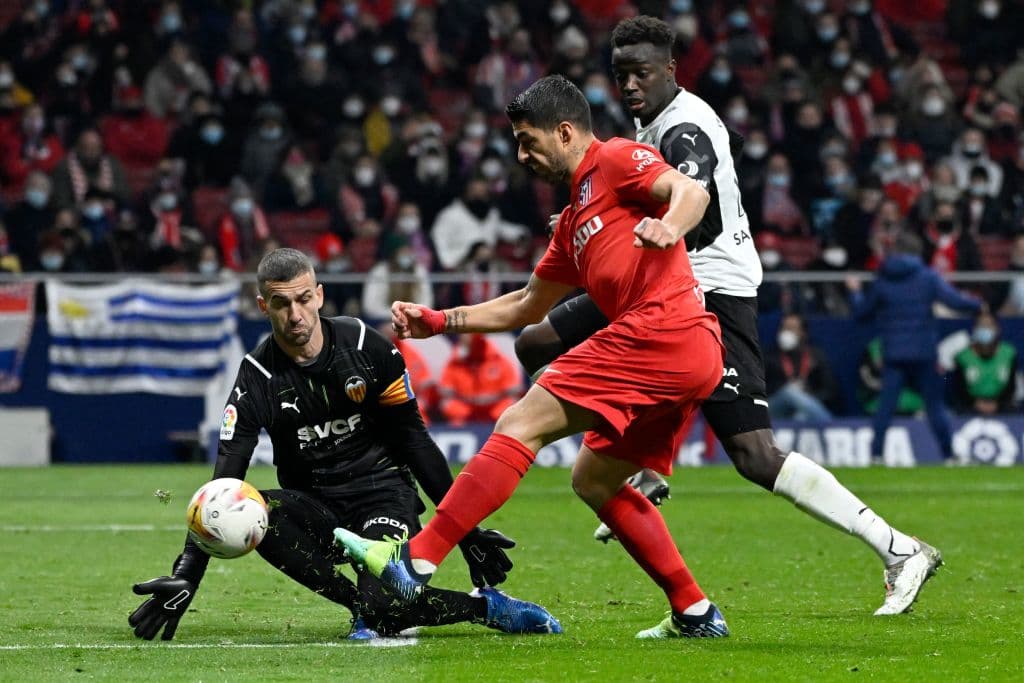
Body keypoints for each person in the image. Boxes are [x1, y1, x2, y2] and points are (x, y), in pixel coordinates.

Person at [513, 16, 942, 617]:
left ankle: (899, 550)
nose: (630, 86)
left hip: (710, 290)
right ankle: (645, 461)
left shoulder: (686, 127)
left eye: (641, 73)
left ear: (671, 70)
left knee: (754, 453)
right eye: (620, 75)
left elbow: (697, 193)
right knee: (536, 341)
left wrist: (666, 226)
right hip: (665, 284)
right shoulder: (650, 126)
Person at [337, 74, 731, 639]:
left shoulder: (616, 160)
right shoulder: (574, 221)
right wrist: (442, 320)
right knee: (594, 479)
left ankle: (414, 565)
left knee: (521, 423)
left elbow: (692, 192)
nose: (522, 155)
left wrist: (668, 228)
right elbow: (527, 303)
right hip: (682, 353)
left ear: (566, 132)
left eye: (529, 140)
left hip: (664, 330)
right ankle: (695, 611)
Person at [128, 248, 561, 642]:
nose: (294, 314)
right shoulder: (256, 378)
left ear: (319, 295)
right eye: (281, 304)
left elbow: (415, 442)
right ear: (264, 307)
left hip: (383, 498)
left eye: (302, 299)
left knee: (389, 606)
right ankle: (367, 608)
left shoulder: (365, 348)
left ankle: (482, 608)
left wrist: (466, 534)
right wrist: (187, 573)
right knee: (260, 512)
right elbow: (224, 485)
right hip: (319, 509)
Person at [848, 232, 983, 464]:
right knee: (935, 407)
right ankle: (949, 456)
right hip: (924, 351)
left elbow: (862, 313)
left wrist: (855, 292)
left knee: (886, 407)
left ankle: (876, 455)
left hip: (893, 352)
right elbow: (954, 301)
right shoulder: (928, 277)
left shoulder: (883, 279)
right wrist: (980, 305)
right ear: (917, 252)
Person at [764, 313, 838, 422]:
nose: (786, 332)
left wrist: (807, 394)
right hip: (774, 408)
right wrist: (784, 388)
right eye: (785, 328)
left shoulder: (816, 356)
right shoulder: (769, 356)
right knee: (789, 391)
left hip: (804, 408)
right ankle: (830, 425)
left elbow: (830, 390)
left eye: (792, 328)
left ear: (803, 333)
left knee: (801, 417)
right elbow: (759, 389)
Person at [951, 312, 1019, 415]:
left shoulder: (1009, 353)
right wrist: (975, 403)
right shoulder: (962, 356)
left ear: (997, 329)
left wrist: (997, 404)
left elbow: (1011, 387)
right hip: (970, 406)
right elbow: (958, 389)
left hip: (1001, 406)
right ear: (974, 330)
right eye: (981, 326)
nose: (985, 329)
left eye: (989, 325)